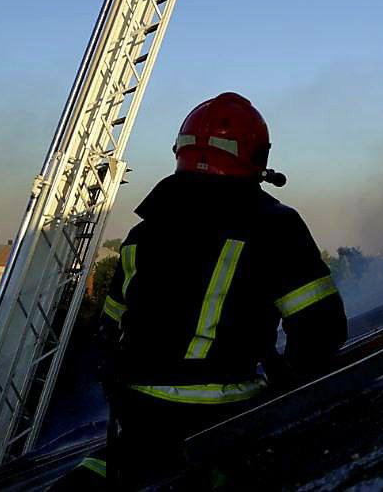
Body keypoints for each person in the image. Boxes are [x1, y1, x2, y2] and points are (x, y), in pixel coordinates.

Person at [57, 92, 347, 489]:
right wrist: (287, 388)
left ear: (181, 151)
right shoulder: (275, 225)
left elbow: (108, 333)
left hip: (138, 414)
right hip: (223, 415)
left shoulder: (142, 233)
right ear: (257, 157)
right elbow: (320, 333)